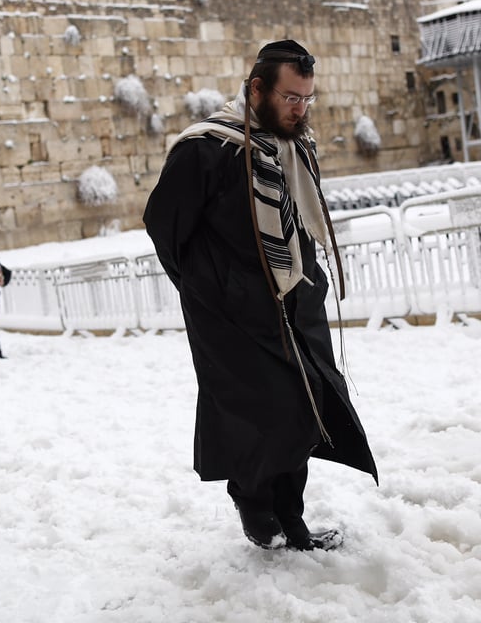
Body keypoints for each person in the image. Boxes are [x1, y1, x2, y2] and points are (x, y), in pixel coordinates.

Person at [143, 39, 377, 552]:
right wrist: (212, 290)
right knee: (265, 414)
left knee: (307, 410)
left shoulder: (293, 147)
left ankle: (291, 521)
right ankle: (253, 503)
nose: (301, 109)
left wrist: (308, 284)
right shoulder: (206, 149)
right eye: (292, 97)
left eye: (308, 99)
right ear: (257, 89)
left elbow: (298, 226)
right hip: (232, 316)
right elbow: (164, 227)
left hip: (295, 304)